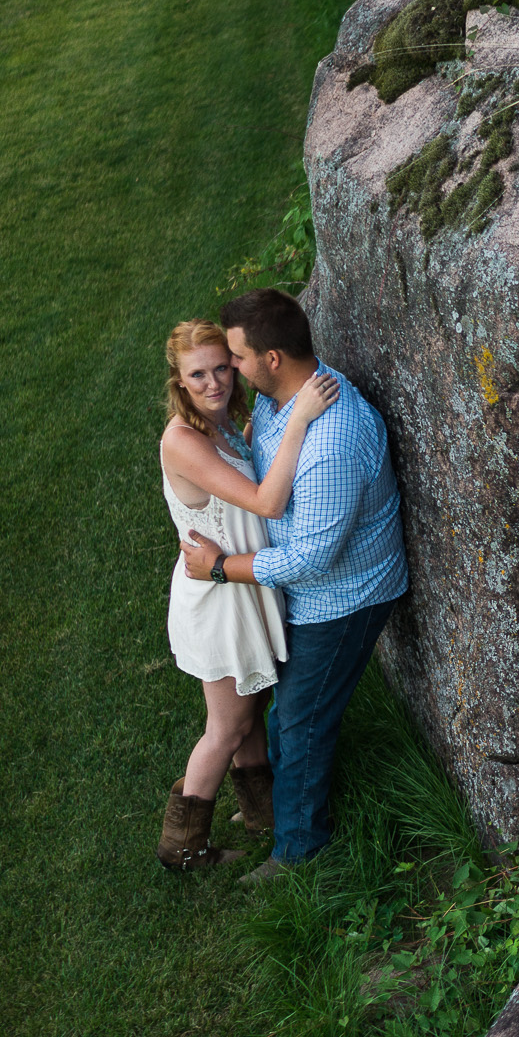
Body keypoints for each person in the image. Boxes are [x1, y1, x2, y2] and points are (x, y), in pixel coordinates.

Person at [179, 288, 409, 883]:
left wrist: (220, 568)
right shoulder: (282, 400)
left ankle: (300, 854)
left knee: (301, 723)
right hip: (306, 589)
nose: (229, 370)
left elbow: (311, 558)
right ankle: (279, 814)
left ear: (272, 358)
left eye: (236, 358)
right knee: (284, 718)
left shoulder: (330, 440)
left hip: (343, 596)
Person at [155, 319, 340, 870]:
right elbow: (266, 502)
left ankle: (261, 811)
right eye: (198, 374)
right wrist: (301, 419)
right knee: (228, 725)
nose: (214, 383)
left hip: (239, 583)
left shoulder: (223, 421)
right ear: (179, 381)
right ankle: (181, 846)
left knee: (252, 705)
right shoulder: (183, 439)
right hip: (219, 598)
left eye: (222, 368)